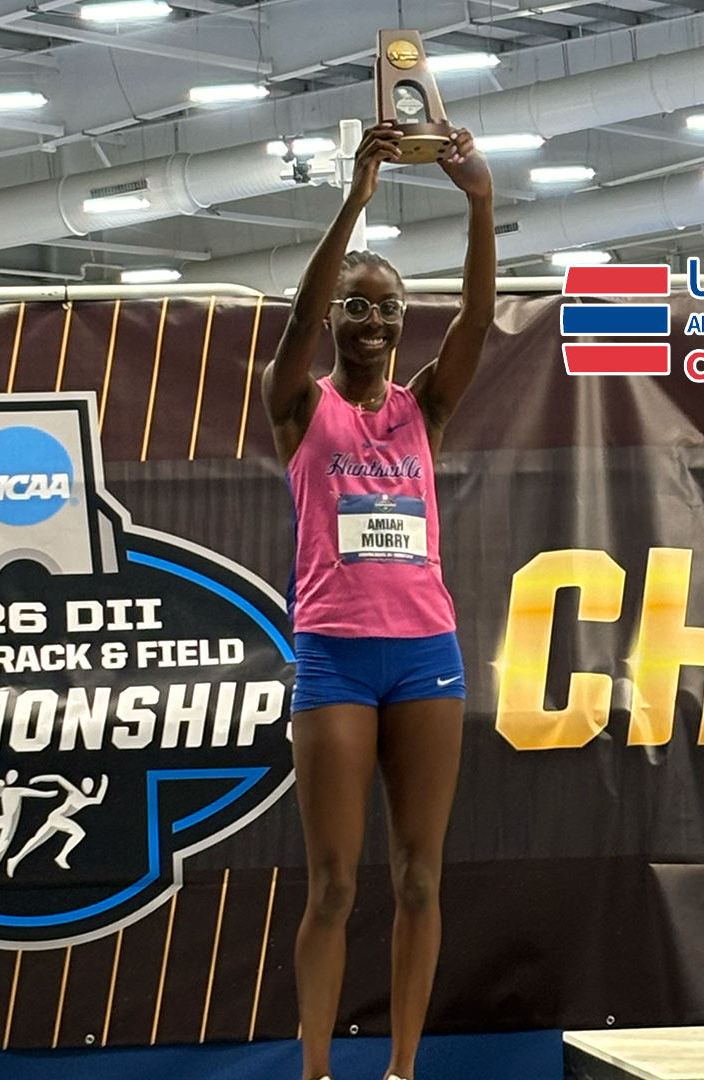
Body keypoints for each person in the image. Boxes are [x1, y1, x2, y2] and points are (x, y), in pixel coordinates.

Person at [263, 121, 493, 1080]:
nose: (372, 322)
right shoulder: (299, 403)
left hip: (426, 653)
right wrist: (354, 200)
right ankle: (315, 1071)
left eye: (389, 309)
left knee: (419, 879)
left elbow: (477, 318)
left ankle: (402, 1070)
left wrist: (480, 201)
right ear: (334, 320)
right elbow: (298, 321)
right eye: (356, 307)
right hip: (335, 655)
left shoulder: (423, 408)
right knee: (330, 886)